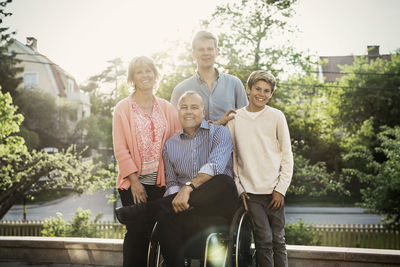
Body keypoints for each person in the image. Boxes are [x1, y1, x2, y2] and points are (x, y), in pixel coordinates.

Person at [113, 56, 181, 267]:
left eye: (149, 71)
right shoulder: (123, 108)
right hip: (133, 183)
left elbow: (179, 138)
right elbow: (120, 148)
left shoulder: (167, 108)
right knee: (137, 233)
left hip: (160, 183)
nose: (145, 75)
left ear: (155, 74)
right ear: (132, 77)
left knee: (161, 234)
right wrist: (134, 181)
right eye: (139, 72)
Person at [226, 70, 293, 267]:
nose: (261, 94)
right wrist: (240, 188)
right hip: (251, 193)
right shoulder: (235, 118)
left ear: (271, 94)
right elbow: (233, 159)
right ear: (248, 89)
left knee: (279, 241)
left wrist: (280, 189)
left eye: (266, 91)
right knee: (264, 241)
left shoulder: (277, 116)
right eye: (257, 89)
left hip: (274, 192)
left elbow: (287, 156)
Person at [170, 30, 248, 125]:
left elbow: (245, 119)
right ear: (193, 54)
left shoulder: (234, 84)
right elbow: (174, 125)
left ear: (216, 52)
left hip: (230, 140)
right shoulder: (180, 90)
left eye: (210, 49)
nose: (206, 53)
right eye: (201, 49)